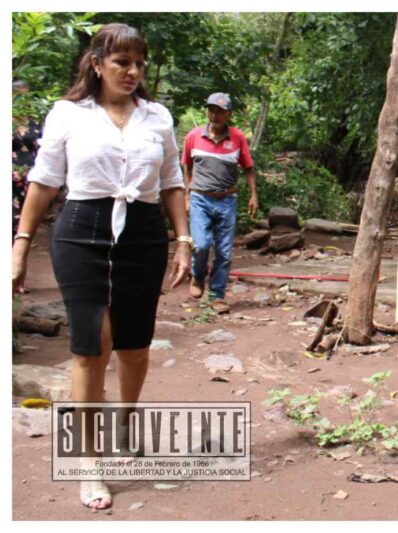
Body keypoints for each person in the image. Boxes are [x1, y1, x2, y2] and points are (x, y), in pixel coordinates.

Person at [11, 23, 191, 510]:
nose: (132, 72)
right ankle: (89, 461)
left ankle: (126, 421)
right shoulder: (69, 113)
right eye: (121, 63)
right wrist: (21, 245)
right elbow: (45, 182)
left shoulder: (157, 117)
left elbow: (173, 182)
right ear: (96, 64)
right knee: (91, 346)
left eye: (138, 64)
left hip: (143, 234)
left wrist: (184, 242)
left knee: (134, 345)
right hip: (81, 231)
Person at [181, 92, 258, 314]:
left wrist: (253, 195)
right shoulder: (193, 136)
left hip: (227, 199)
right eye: (212, 110)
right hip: (200, 198)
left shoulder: (237, 138)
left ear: (228, 114)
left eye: (220, 111)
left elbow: (248, 168)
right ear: (207, 111)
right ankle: (197, 276)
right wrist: (187, 195)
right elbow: (187, 166)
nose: (215, 115)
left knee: (224, 251)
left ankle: (217, 294)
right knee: (201, 244)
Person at [12, 80, 42, 240]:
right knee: (13, 220)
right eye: (18, 96)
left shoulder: (35, 121)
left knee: (26, 221)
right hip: (11, 177)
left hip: (31, 178)